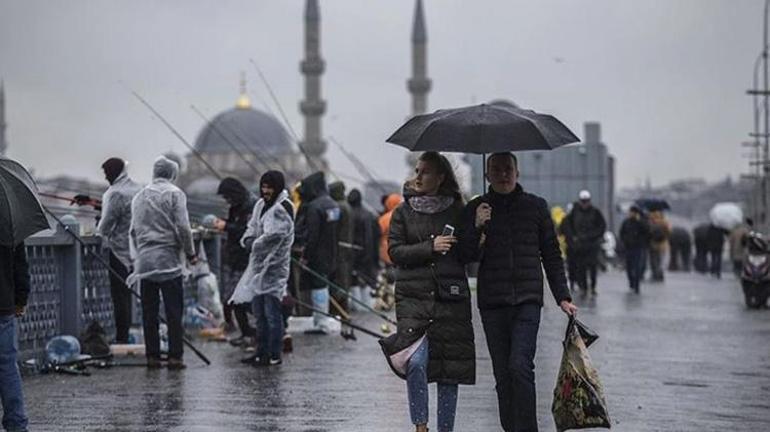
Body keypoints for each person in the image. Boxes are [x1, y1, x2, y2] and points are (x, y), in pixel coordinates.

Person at [458, 152, 577, 432]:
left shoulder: (536, 207)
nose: (503, 174)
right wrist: (477, 226)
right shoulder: (476, 208)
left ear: (517, 173)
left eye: (508, 169)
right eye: (496, 169)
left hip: (527, 300)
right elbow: (464, 255)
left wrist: (563, 296)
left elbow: (551, 253)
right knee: (503, 375)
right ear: (487, 175)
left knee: (520, 366)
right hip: (492, 302)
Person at [380, 151, 474, 432]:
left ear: (441, 177)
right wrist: (429, 247)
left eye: (425, 172)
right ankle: (420, 426)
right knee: (416, 362)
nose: (418, 176)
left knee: (448, 370)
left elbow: (469, 255)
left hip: (450, 299)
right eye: (417, 171)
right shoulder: (403, 212)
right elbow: (395, 252)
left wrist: (478, 228)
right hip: (413, 298)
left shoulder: (458, 211)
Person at [128, 156, 196, 369]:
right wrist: (190, 253)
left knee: (149, 312)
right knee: (173, 311)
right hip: (169, 261)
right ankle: (175, 356)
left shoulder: (139, 196)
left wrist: (141, 253)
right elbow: (183, 228)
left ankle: (153, 357)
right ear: (172, 174)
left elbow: (133, 231)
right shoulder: (175, 194)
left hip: (146, 263)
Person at [229, 171, 294, 366]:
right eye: (263, 187)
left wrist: (254, 244)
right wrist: (248, 239)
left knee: (272, 313)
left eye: (269, 187)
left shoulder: (282, 208)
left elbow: (274, 236)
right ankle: (261, 352)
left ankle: (274, 354)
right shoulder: (260, 205)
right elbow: (252, 227)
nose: (265, 191)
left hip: (274, 268)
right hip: (258, 267)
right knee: (259, 313)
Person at [96, 157, 141, 343]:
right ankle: (130, 334)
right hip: (138, 252)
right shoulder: (137, 189)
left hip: (119, 252)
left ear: (114, 173)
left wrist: (99, 227)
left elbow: (106, 226)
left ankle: (122, 337)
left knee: (120, 297)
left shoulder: (115, 193)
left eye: (107, 173)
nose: (106, 177)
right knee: (131, 295)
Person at [213, 177, 257, 346]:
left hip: (245, 259)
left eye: (227, 197)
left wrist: (226, 227)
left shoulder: (250, 206)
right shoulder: (237, 206)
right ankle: (246, 332)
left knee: (241, 298)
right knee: (233, 298)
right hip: (234, 257)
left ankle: (255, 331)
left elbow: (246, 231)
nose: (227, 201)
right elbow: (234, 225)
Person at [294, 171, 340, 334]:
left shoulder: (314, 207)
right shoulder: (332, 204)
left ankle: (321, 322)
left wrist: (306, 256)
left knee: (318, 286)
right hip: (331, 251)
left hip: (317, 254)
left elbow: (312, 236)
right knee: (323, 285)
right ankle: (322, 319)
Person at [0, 242, 30, 432]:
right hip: (3, 303)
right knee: (7, 365)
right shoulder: (9, 226)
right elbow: (20, 265)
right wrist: (21, 299)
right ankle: (16, 423)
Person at [561, 190, 607, 295]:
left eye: (586, 201)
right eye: (583, 201)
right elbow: (567, 226)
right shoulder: (575, 213)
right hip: (580, 245)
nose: (584, 203)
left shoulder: (596, 212)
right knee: (581, 267)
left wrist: (594, 236)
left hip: (592, 245)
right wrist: (573, 238)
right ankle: (584, 287)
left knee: (593, 267)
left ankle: (593, 286)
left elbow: (602, 226)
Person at [347, 188, 380, 311]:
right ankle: (366, 306)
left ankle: (357, 306)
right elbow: (372, 236)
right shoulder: (369, 215)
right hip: (368, 252)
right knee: (366, 279)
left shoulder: (350, 214)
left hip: (353, 252)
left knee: (354, 280)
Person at [329, 181, 355, 336]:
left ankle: (340, 313)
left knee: (339, 281)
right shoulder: (346, 206)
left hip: (339, 250)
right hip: (346, 248)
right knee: (344, 281)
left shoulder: (339, 207)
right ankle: (343, 312)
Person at [619, 205, 650, 293]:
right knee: (629, 267)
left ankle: (636, 285)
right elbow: (622, 232)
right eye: (630, 212)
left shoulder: (641, 222)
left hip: (638, 247)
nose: (631, 214)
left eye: (633, 212)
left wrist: (642, 242)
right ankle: (631, 282)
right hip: (628, 247)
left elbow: (647, 231)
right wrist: (624, 241)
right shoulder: (626, 222)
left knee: (637, 267)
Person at [647, 210, 671, 282]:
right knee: (660, 260)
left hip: (653, 244)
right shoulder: (664, 222)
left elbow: (648, 233)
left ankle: (655, 274)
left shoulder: (650, 222)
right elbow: (669, 232)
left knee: (653, 260)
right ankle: (660, 275)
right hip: (663, 244)